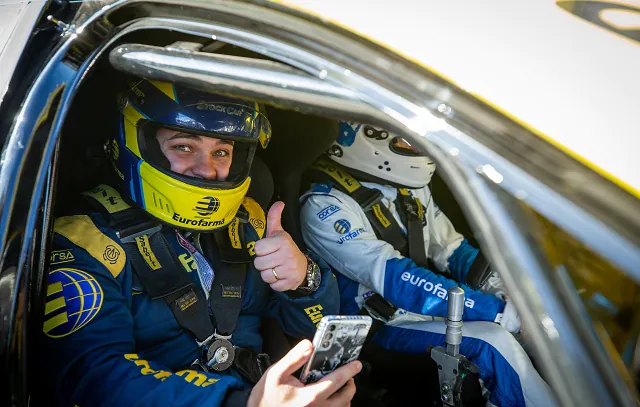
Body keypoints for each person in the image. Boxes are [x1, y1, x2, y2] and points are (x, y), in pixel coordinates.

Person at [40, 78, 361, 407]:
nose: (207, 170)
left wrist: (305, 280)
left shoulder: (250, 220)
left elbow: (310, 329)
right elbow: (94, 375)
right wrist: (242, 403)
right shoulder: (84, 243)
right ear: (139, 144)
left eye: (221, 151)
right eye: (184, 146)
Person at [299, 122, 558, 407]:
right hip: (383, 324)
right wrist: (501, 314)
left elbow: (453, 251)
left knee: (542, 330)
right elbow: (396, 278)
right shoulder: (325, 205)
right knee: (494, 341)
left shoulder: (410, 189)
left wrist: (510, 298)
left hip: (423, 309)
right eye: (406, 142)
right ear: (366, 138)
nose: (419, 147)